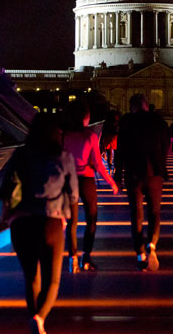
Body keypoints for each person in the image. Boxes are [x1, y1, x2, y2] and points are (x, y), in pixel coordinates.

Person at [3, 113, 78, 334]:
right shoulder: (63, 157)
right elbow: (73, 195)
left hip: (22, 221)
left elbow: (7, 187)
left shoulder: (20, 154)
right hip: (51, 221)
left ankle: (33, 316)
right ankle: (40, 317)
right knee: (52, 280)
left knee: (31, 277)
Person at [115, 94, 170, 271]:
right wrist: (161, 166)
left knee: (136, 214)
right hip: (154, 174)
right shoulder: (159, 122)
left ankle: (139, 252)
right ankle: (152, 245)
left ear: (132, 107)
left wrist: (118, 173)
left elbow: (120, 150)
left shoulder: (126, 122)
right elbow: (165, 146)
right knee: (154, 212)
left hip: (133, 175)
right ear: (146, 105)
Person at [63, 101, 119, 272]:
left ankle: (72, 257)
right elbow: (98, 164)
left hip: (68, 179)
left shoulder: (63, 135)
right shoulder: (90, 136)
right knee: (91, 220)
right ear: (86, 118)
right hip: (86, 179)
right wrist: (111, 182)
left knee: (71, 222)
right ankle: (86, 257)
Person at [100, 110, 121, 176]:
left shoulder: (107, 123)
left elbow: (103, 133)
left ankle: (110, 168)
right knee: (116, 155)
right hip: (115, 139)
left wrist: (102, 143)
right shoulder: (117, 123)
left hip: (108, 139)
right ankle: (114, 168)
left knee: (110, 154)